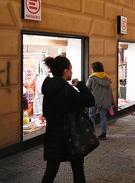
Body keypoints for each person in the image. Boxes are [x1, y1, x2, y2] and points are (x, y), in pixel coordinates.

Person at [41, 55, 95, 183]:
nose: (71, 72)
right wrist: (81, 85)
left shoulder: (48, 89)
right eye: (70, 69)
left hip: (52, 137)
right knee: (78, 172)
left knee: (50, 172)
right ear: (65, 71)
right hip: (70, 137)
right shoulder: (67, 90)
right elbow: (90, 101)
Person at [86, 62, 114, 140]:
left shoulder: (91, 78)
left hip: (93, 100)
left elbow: (87, 89)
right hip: (104, 101)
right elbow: (110, 91)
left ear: (93, 69)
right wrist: (112, 100)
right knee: (103, 117)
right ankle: (103, 134)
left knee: (91, 116)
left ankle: (92, 133)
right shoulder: (107, 78)